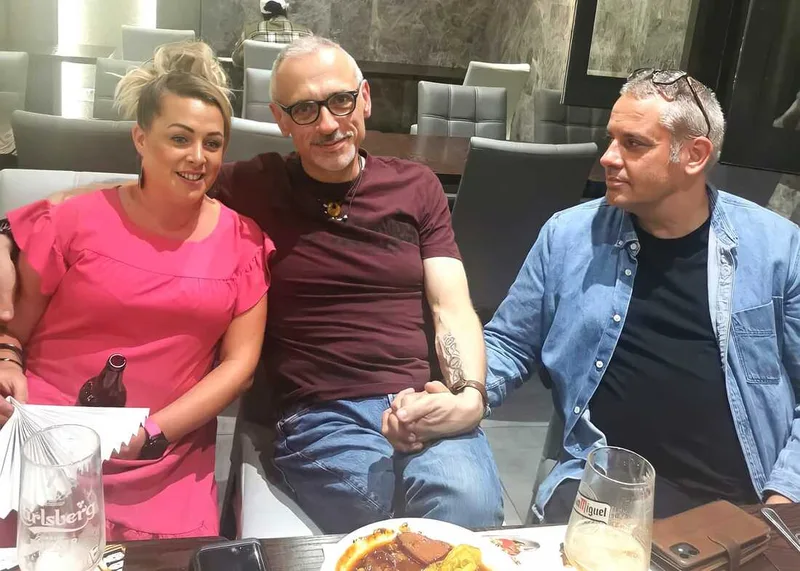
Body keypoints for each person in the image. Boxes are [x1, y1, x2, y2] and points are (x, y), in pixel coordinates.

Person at [0, 36, 504, 534]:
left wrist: (467, 396)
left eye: (341, 101)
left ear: (365, 98)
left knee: (470, 505)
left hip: (417, 393)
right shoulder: (254, 185)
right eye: (304, 109)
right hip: (318, 409)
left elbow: (452, 306)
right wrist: (10, 229)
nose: (329, 124)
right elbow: (146, 189)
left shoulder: (418, 187)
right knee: (381, 507)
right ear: (280, 119)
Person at [384, 69, 800, 523]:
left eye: (633, 143)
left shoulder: (777, 249)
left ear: (694, 155)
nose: (607, 157)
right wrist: (466, 394)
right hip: (603, 491)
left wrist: (784, 503)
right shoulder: (568, 236)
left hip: (745, 500)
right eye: (610, 139)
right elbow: (511, 342)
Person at [0, 41, 273, 543]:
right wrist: (7, 363)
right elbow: (14, 330)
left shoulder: (244, 243)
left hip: (163, 455)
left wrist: (152, 434)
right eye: (180, 138)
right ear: (141, 139)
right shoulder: (74, 221)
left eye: (213, 143)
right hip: (44, 437)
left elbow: (240, 367)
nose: (198, 157)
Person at [231, 0, 313, 67]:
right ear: (286, 10)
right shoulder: (306, 34)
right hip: (293, 82)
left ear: (263, 14)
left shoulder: (250, 33)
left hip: (261, 82)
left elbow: (236, 61)